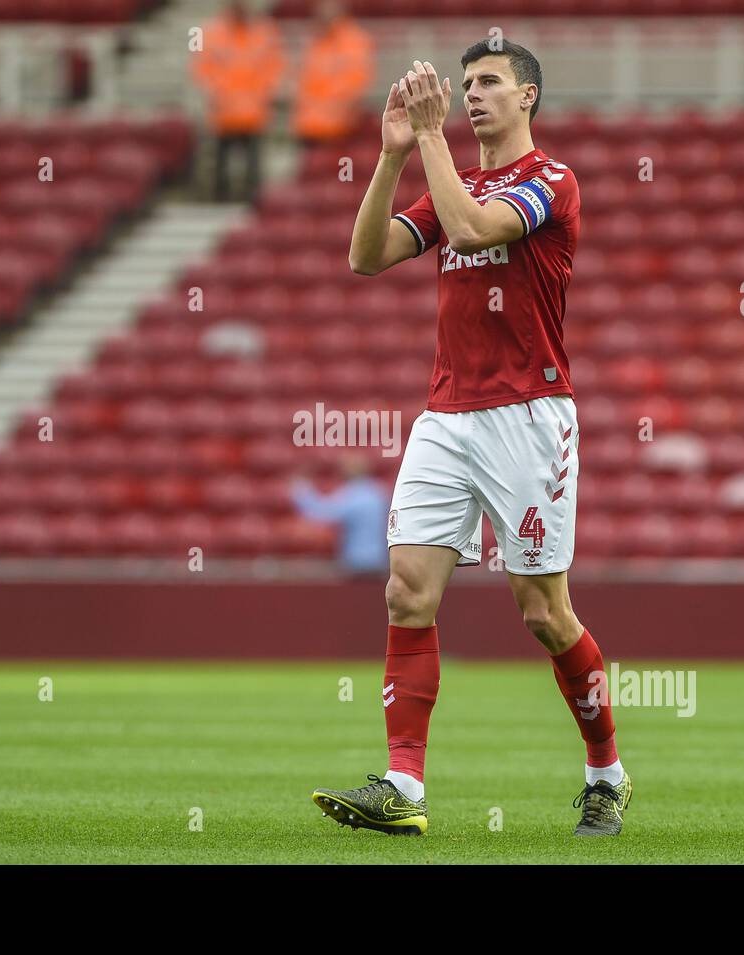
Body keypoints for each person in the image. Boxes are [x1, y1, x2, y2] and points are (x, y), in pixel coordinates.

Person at [311, 40, 631, 838]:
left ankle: (606, 771)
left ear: (528, 97)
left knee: (543, 613)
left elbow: (472, 222)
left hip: (529, 414)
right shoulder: (457, 174)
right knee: (405, 591)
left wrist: (427, 138)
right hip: (447, 413)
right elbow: (366, 256)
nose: (472, 95)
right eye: (465, 86)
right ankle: (403, 784)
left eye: (489, 84)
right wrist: (392, 156)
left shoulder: (549, 183)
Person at [192, 0, 284, 201]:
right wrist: (222, 95)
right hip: (224, 113)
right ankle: (219, 200)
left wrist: (257, 96)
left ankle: (253, 203)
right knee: (220, 168)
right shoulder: (211, 32)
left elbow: (274, 68)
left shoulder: (265, 32)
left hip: (253, 113)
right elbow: (202, 69)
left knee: (253, 169)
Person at [289, 456, 389, 576]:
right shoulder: (378, 492)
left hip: (358, 563)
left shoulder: (353, 494)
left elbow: (322, 513)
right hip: (381, 560)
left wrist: (300, 489)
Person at [292, 1, 374, 145]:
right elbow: (303, 80)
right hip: (307, 125)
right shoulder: (313, 40)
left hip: (338, 128)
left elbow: (356, 84)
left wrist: (332, 111)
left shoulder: (355, 40)